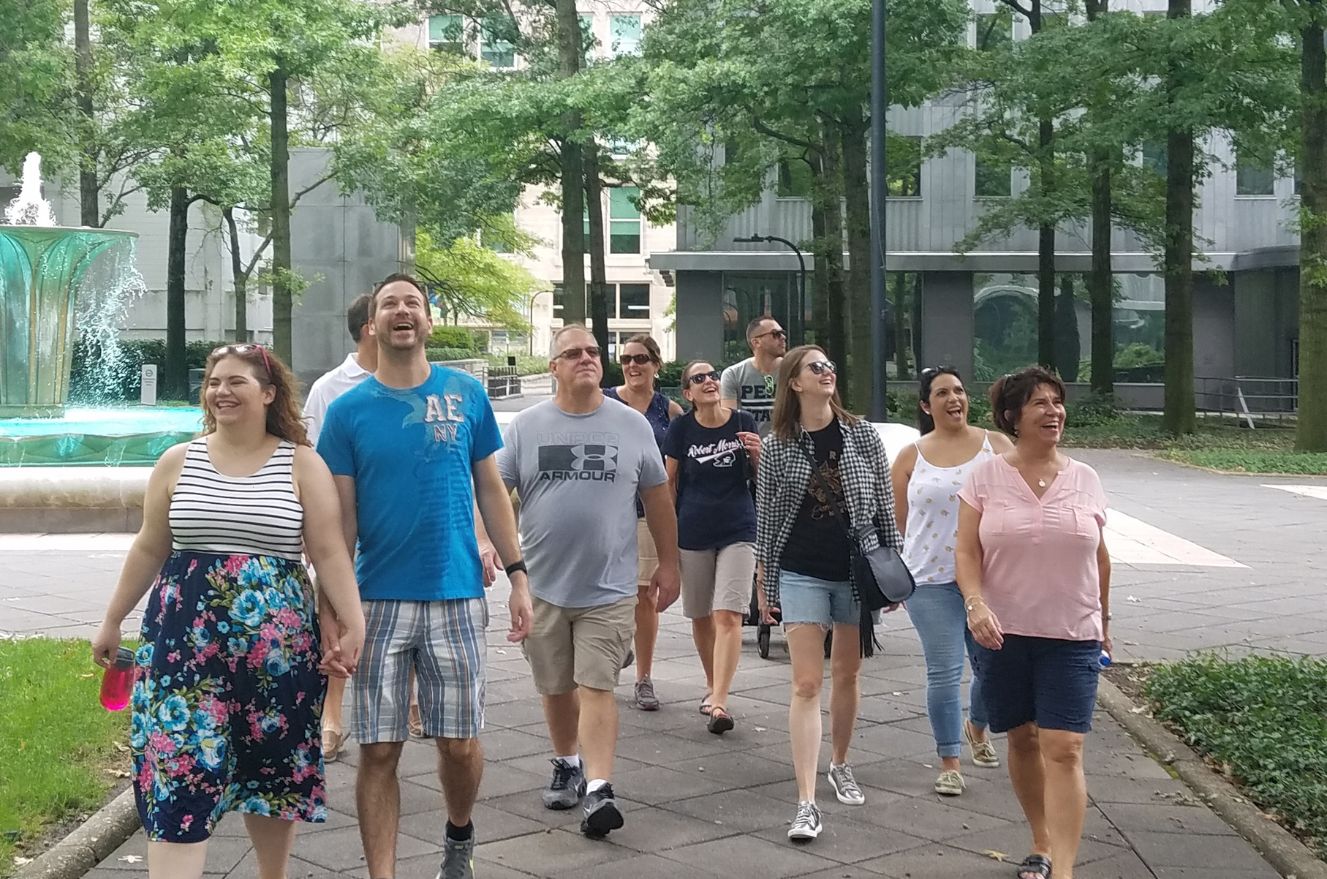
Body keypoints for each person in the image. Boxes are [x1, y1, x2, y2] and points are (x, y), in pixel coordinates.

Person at [92, 344, 365, 879]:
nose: (222, 391)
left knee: (272, 771)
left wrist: (352, 621)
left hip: (276, 658)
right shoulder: (178, 460)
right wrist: (112, 618)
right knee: (178, 772)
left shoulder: (302, 464)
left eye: (237, 381)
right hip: (182, 654)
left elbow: (330, 552)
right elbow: (150, 546)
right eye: (214, 382)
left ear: (268, 394)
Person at [317, 273, 533, 879]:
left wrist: (518, 574)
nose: (402, 311)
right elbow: (339, 525)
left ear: (429, 322)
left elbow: (491, 489)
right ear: (372, 325)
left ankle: (459, 836)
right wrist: (331, 608)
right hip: (376, 603)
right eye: (389, 303)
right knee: (379, 750)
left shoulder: (466, 394)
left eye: (413, 302)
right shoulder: (347, 412)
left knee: (459, 745)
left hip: (456, 595)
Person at [497, 324, 681, 838]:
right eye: (573, 353)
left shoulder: (631, 425)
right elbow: (496, 492)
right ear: (553, 367)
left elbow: (658, 498)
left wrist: (669, 564)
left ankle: (599, 787)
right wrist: (494, 548)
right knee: (556, 686)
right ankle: (567, 762)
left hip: (610, 587)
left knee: (597, 684)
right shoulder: (527, 426)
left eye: (594, 352)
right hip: (543, 586)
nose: (587, 358)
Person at [956, 366, 1112, 879]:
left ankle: (1063, 869)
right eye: (1040, 403)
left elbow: (1101, 558)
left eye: (1057, 402)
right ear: (1012, 416)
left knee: (1064, 748)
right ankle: (1041, 842)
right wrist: (975, 604)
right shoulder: (984, 477)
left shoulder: (1085, 478)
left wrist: (1105, 624)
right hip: (1002, 633)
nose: (1054, 411)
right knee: (1022, 739)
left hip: (1072, 633)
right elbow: (966, 551)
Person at [754, 345, 902, 842]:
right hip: (801, 572)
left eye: (830, 366)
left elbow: (884, 506)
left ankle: (840, 762)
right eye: (816, 367)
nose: (827, 372)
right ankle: (806, 802)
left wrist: (892, 571)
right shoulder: (777, 445)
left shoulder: (862, 435)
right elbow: (767, 520)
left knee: (847, 673)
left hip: (855, 572)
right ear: (794, 382)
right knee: (805, 683)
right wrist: (766, 583)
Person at [891, 366, 1014, 797]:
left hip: (989, 578)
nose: (953, 398)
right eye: (942, 393)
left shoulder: (997, 447)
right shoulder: (911, 457)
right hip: (929, 580)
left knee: (993, 669)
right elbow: (902, 524)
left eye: (959, 390)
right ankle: (950, 761)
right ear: (926, 405)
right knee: (945, 672)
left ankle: (976, 726)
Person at [663, 360, 759, 735]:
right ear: (688, 392)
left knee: (728, 614)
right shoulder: (681, 428)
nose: (709, 381)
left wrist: (757, 455)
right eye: (699, 378)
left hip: (738, 527)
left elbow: (760, 476)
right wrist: (667, 535)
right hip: (693, 528)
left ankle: (720, 701)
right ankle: (710, 682)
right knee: (701, 615)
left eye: (713, 376)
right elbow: (669, 483)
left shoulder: (743, 422)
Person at [303, 292, 375, 762]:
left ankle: (411, 698)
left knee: (405, 604)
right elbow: (309, 458)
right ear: (370, 327)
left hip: (394, 518)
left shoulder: (418, 380)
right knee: (332, 612)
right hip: (339, 522)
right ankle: (331, 713)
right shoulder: (331, 387)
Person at [604, 333, 683, 712]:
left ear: (655, 364)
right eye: (626, 360)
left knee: (644, 597)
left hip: (648, 514)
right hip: (605, 512)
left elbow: (681, 465)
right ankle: (619, 645)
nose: (632, 366)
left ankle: (644, 678)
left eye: (640, 359)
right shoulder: (604, 402)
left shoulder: (670, 411)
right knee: (606, 592)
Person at [720, 314, 787, 437]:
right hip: (748, 445)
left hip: (787, 445)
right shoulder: (733, 374)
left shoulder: (794, 371)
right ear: (756, 342)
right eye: (775, 334)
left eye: (782, 333)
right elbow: (729, 422)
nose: (783, 337)